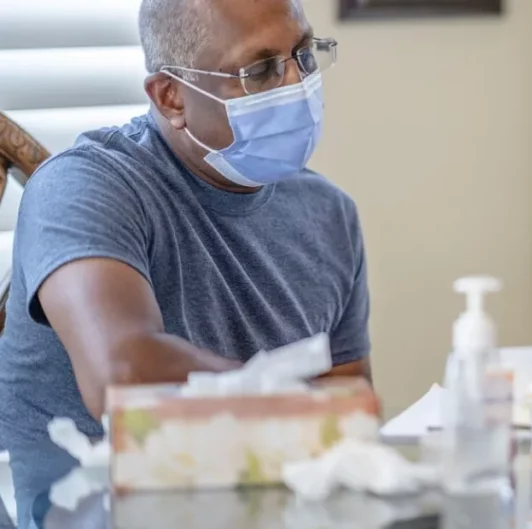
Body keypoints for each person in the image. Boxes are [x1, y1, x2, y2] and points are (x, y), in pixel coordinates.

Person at [0, 0, 368, 523]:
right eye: (260, 69)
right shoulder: (85, 187)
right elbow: (125, 378)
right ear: (171, 96)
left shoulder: (329, 213)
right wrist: (293, 407)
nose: (295, 84)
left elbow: (349, 400)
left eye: (303, 55)